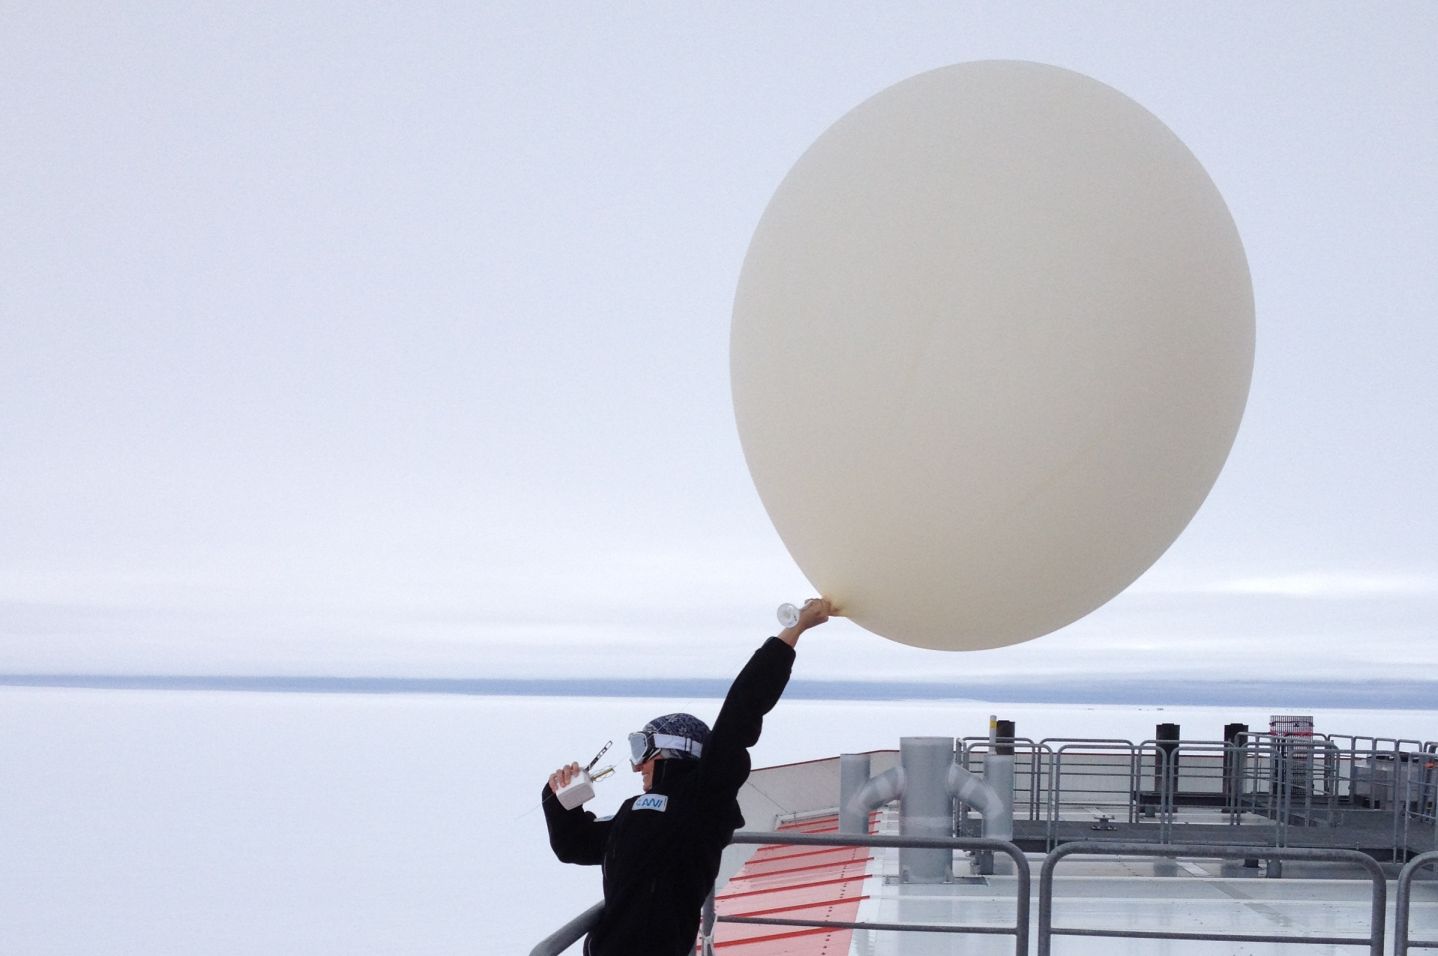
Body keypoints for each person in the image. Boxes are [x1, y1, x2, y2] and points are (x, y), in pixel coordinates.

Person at [542, 597, 832, 956]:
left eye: (642, 750)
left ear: (673, 750)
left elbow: (743, 708)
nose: (636, 766)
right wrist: (558, 800)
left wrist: (795, 629)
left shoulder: (705, 798)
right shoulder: (632, 814)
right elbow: (575, 847)